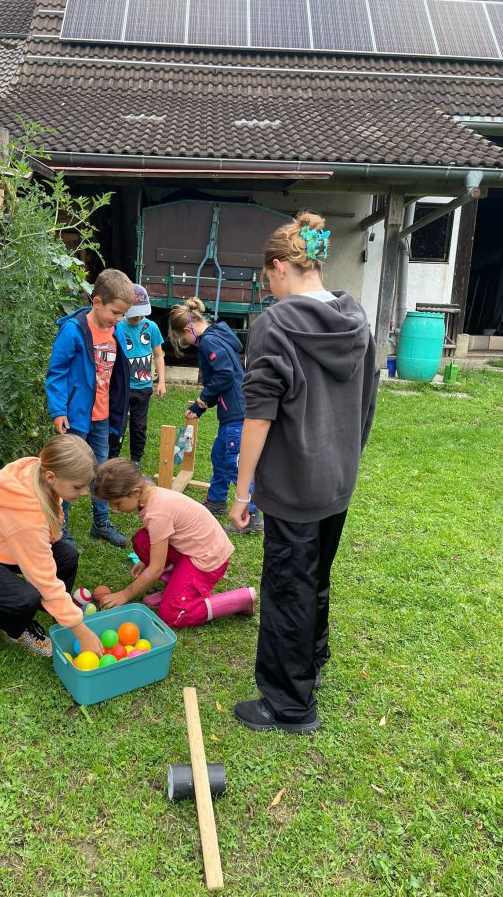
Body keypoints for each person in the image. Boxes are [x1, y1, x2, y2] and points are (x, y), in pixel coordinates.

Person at [229, 211, 379, 735]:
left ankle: (290, 705)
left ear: (279, 267)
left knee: (288, 587)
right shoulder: (356, 317)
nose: (268, 289)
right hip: (338, 480)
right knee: (315, 576)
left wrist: (242, 491)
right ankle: (312, 656)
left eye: (266, 278)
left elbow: (258, 416)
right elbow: (367, 401)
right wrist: (346, 456)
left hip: (294, 486)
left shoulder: (274, 325)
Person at [0, 435, 104, 659]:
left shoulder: (39, 472)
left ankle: (43, 614)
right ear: (51, 477)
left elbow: (44, 535)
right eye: (78, 486)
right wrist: (81, 631)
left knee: (66, 557)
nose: (85, 492)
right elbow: (44, 580)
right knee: (23, 598)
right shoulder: (26, 518)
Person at [93, 458, 256, 629]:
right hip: (195, 548)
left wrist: (125, 594)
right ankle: (175, 587)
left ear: (134, 492)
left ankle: (240, 599)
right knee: (142, 541)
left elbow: (156, 569)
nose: (115, 509)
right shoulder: (150, 494)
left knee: (172, 614)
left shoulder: (157, 513)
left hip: (208, 559)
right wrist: (146, 563)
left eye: (117, 503)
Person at [45, 269, 134, 548]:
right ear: (97, 302)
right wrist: (59, 410)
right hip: (76, 417)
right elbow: (57, 372)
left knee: (102, 469)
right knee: (70, 471)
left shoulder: (116, 331)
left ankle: (101, 522)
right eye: (115, 312)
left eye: (122, 314)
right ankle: (61, 527)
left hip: (102, 416)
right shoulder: (74, 331)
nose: (118, 319)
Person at [168, 297, 262, 534]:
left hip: (236, 412)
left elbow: (224, 375)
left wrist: (201, 400)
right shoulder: (217, 334)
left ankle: (251, 516)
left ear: (188, 329)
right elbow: (221, 378)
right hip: (233, 410)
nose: (187, 343)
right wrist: (200, 406)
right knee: (220, 456)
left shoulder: (209, 342)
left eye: (184, 339)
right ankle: (216, 501)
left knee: (233, 463)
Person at [108, 284, 166, 468]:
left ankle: (136, 460)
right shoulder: (117, 327)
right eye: (134, 314)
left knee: (139, 425)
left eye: (141, 314)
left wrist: (161, 381)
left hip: (143, 387)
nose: (138, 318)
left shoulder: (151, 327)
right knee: (117, 423)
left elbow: (158, 355)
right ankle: (112, 457)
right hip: (122, 387)